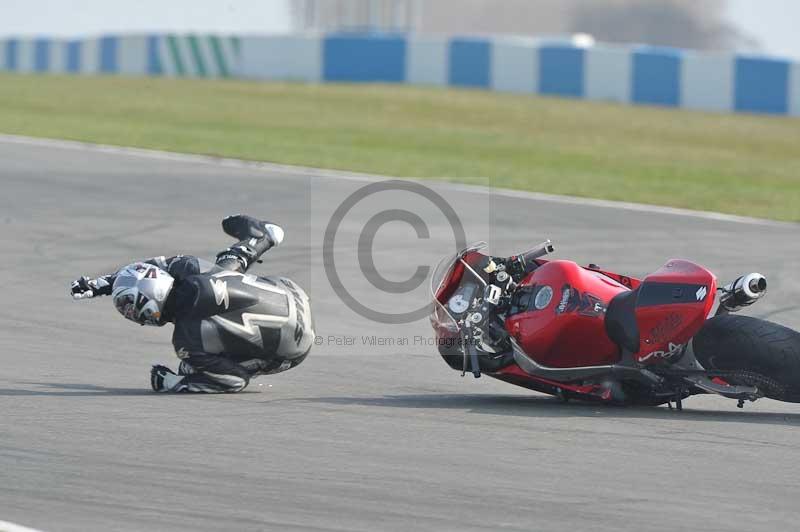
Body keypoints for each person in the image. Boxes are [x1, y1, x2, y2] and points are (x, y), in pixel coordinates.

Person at [70, 215, 314, 393]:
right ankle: (259, 238)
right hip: (293, 294)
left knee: (189, 368)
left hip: (293, 351)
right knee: (221, 272)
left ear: (148, 313)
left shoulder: (186, 340)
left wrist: (174, 384)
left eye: (129, 309)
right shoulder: (187, 268)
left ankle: (260, 238)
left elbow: (236, 380)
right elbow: (155, 265)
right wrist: (101, 284)